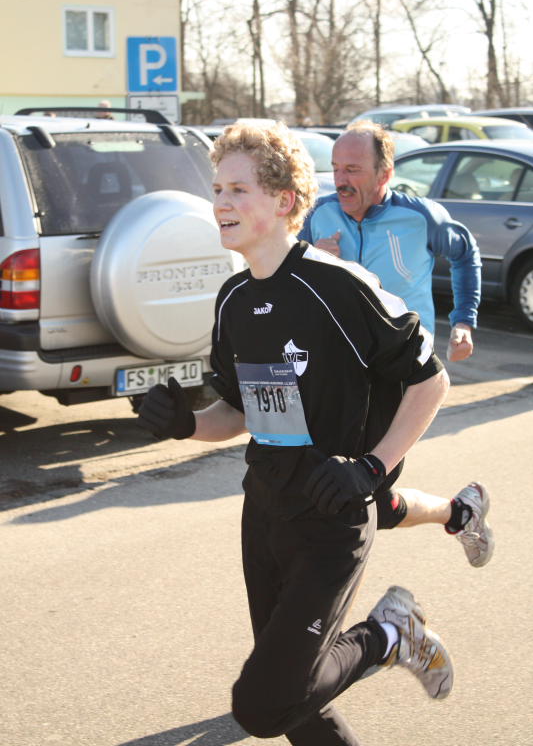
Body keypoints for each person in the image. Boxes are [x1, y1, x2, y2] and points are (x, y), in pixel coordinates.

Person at [138, 120, 454, 745]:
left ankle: (389, 635)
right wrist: (185, 424)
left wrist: (373, 468)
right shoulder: (233, 299)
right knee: (296, 709)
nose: (221, 203)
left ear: (284, 201)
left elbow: (431, 381)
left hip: (333, 519)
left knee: (262, 706)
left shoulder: (338, 286)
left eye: (238, 190)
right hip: (265, 511)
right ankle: (387, 639)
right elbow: (240, 412)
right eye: (217, 189)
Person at [298, 121, 493, 568]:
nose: (341, 179)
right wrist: (315, 260)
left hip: (401, 369)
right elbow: (293, 278)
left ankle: (333, 591)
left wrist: (464, 321)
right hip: (341, 368)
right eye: (336, 168)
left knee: (362, 489)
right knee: (357, 493)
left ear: (384, 174)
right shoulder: (320, 217)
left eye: (353, 169)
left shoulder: (420, 217)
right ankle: (460, 513)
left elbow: (465, 253)